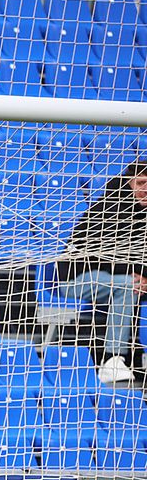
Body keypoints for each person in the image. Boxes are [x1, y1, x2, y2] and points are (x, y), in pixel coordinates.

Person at [52, 159, 147, 385]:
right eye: (141, 183)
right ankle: (112, 360)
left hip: (125, 281)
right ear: (128, 184)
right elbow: (107, 257)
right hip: (78, 279)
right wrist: (139, 279)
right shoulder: (106, 209)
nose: (145, 190)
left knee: (128, 285)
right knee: (127, 285)